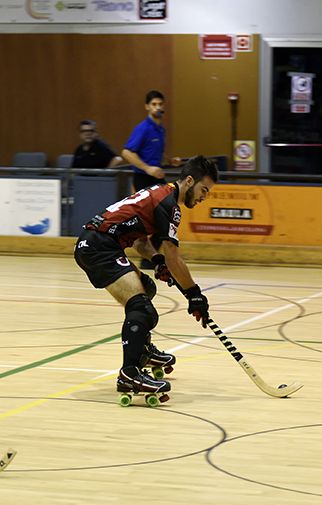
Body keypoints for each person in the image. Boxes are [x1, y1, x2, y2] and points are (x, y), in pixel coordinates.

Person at [73, 155, 219, 401]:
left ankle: (141, 352)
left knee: (147, 288)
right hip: (99, 246)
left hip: (100, 244)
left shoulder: (160, 193)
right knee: (142, 309)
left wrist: (156, 260)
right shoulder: (168, 204)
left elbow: (141, 242)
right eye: (204, 190)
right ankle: (129, 373)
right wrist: (195, 295)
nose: (205, 197)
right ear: (189, 181)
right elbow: (173, 255)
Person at [121, 90, 182, 267]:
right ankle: (145, 255)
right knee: (150, 219)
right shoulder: (143, 128)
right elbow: (127, 152)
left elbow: (156, 153)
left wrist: (170, 161)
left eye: (160, 104)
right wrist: (148, 168)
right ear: (147, 107)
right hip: (143, 180)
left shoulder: (160, 129)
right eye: (154, 104)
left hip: (156, 180)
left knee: (167, 215)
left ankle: (150, 258)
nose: (158, 107)